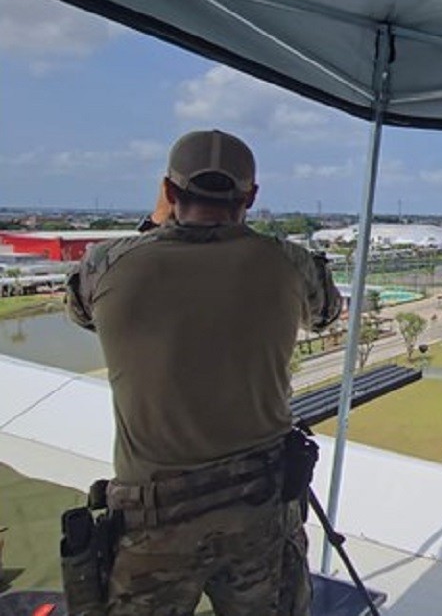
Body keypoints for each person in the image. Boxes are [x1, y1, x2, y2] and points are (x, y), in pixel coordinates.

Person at [66, 129, 342, 615]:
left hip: (155, 521)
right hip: (259, 510)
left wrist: (155, 225)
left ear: (170, 193)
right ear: (251, 197)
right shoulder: (289, 264)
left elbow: (83, 312)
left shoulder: (107, 265)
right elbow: (325, 313)